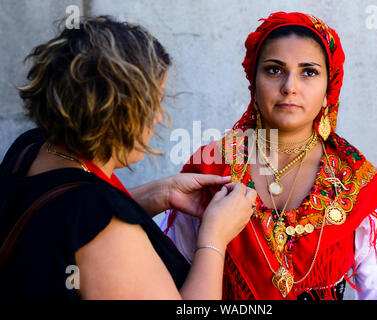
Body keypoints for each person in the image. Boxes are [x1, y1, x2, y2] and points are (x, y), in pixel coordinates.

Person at [161, 12, 377, 300]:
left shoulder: (357, 183)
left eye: (308, 72)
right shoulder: (212, 167)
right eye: (274, 70)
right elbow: (169, 281)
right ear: (254, 82)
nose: (289, 86)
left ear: (329, 90)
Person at [0, 16, 256, 300]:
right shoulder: (107, 234)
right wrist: (213, 239)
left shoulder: (31, 148)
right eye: (155, 104)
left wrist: (160, 193)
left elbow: (64, 218)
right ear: (121, 113)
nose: (159, 117)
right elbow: (90, 223)